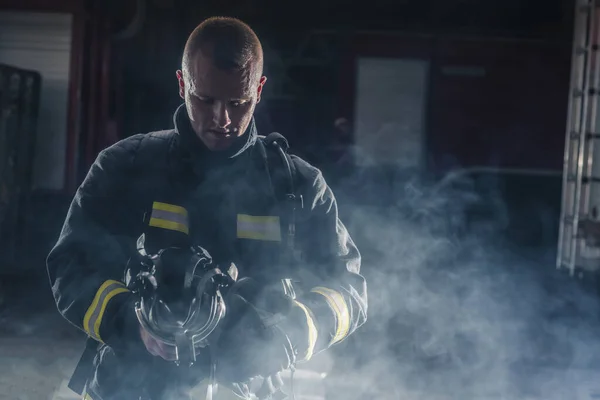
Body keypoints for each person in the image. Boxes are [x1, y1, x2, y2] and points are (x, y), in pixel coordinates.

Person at [46, 16, 367, 400]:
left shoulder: (296, 186)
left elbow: (348, 289)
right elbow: (70, 265)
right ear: (182, 84)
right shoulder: (126, 167)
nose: (222, 119)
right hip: (128, 384)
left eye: (238, 102)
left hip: (248, 387)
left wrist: (287, 337)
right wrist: (131, 324)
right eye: (205, 99)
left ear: (259, 90)